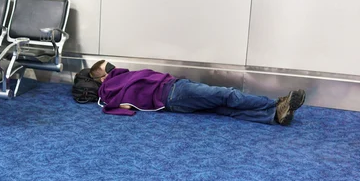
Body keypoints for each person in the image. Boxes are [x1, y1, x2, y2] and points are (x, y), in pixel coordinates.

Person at [89, 60, 305, 125]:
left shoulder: (115, 86)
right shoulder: (109, 87)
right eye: (108, 68)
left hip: (173, 100)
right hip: (173, 91)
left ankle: (273, 115)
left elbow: (123, 106)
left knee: (223, 108)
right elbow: (122, 106)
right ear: (102, 77)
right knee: (226, 95)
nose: (113, 68)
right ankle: (277, 102)